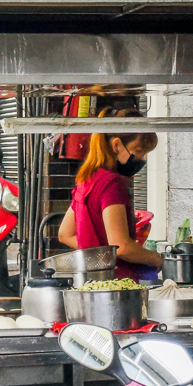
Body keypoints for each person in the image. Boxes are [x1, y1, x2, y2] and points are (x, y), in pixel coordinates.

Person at [58, 108, 163, 281]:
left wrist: (100, 254)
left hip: (90, 284)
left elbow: (65, 234)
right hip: (118, 286)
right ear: (116, 145)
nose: (141, 159)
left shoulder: (86, 180)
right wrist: (155, 258)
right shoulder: (112, 183)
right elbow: (121, 246)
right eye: (138, 151)